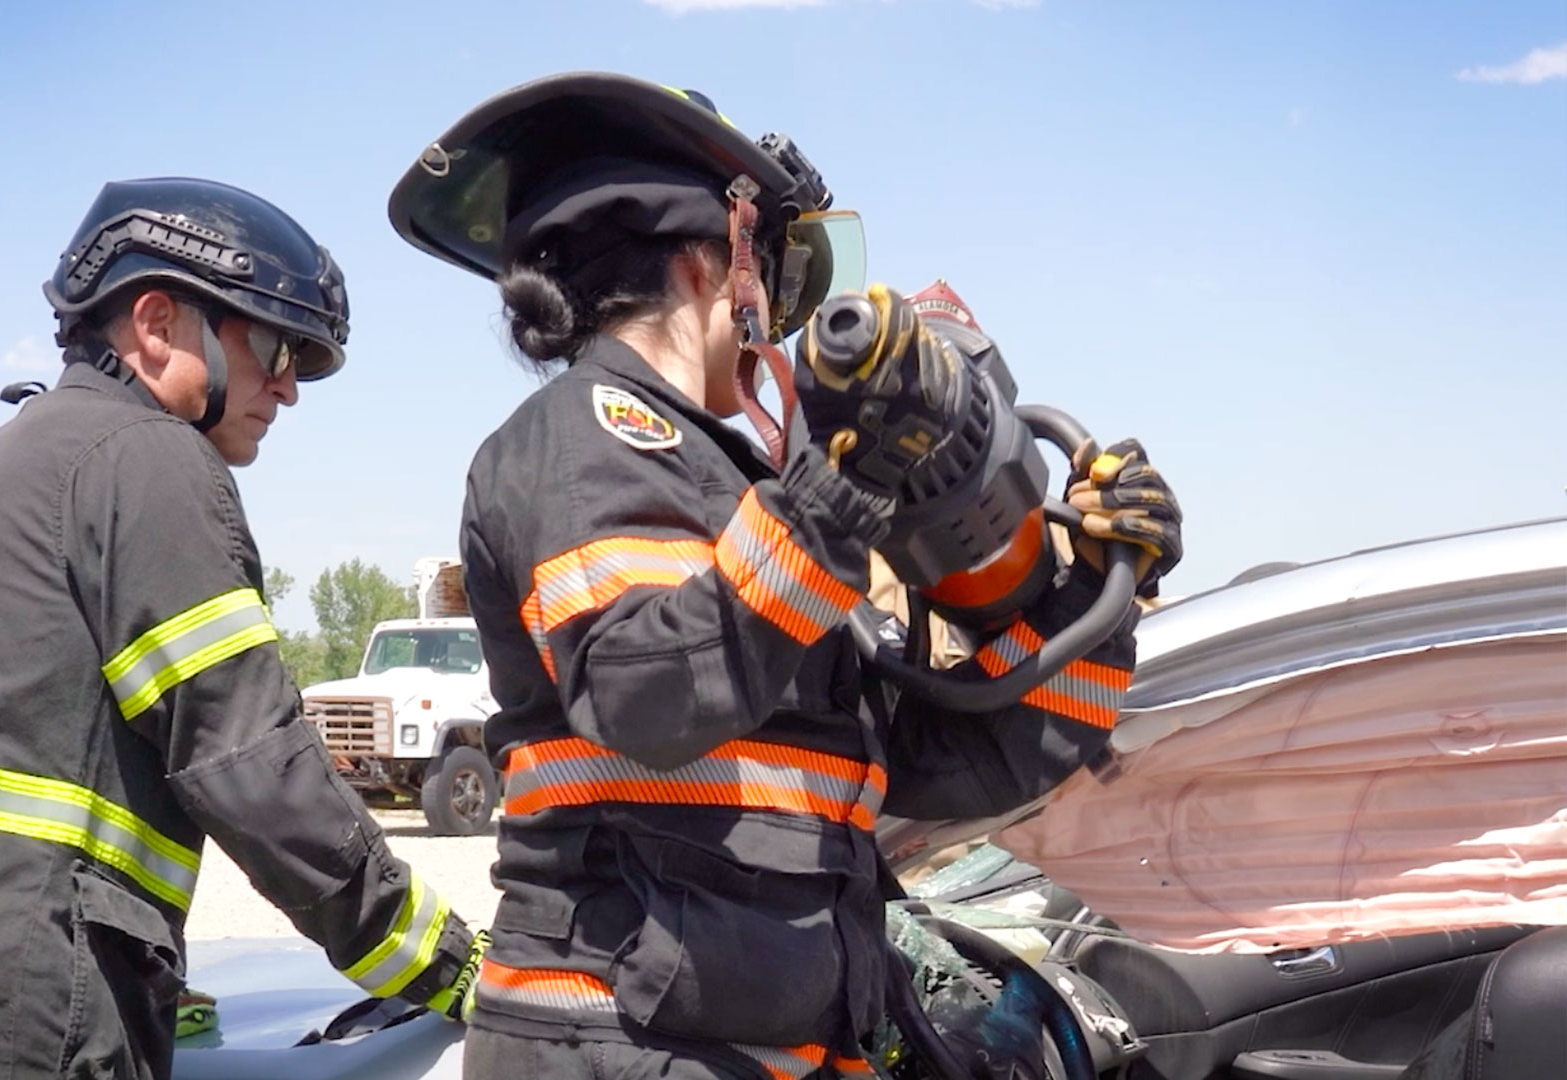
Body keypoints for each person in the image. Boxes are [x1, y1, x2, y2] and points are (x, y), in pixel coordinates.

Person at [385, 74, 1183, 1079]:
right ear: (717, 259)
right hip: (624, 1047)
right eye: (776, 268)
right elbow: (646, 692)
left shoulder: (739, 491)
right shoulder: (591, 435)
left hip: (751, 1049)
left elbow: (943, 760)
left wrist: (1104, 596)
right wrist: (835, 492)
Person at [0, 178, 484, 1080]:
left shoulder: (4, 460)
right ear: (158, 323)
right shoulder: (150, 459)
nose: (288, 388)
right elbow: (253, 771)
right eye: (277, 347)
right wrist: (459, 970)